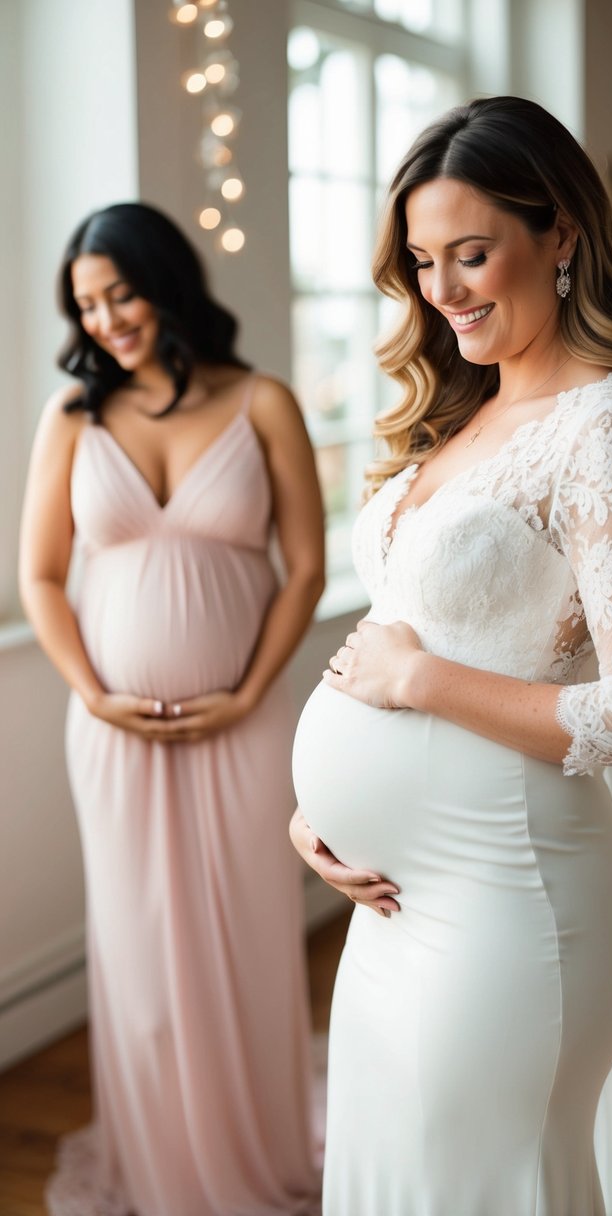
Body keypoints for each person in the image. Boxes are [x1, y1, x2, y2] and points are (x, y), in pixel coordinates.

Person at [289, 98, 612, 1214]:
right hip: (393, 908)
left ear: (559, 233)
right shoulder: (453, 418)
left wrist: (419, 687)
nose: (444, 289)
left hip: (516, 905)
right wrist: (315, 815)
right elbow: (397, 629)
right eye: (422, 261)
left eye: (472, 252)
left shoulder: (607, 422)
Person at [18, 202, 325, 1216]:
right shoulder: (72, 419)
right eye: (87, 304)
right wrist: (94, 693)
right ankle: (157, 1173)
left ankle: (255, 1151)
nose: (105, 319)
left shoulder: (262, 400)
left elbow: (306, 569)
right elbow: (43, 578)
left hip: (244, 725)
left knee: (244, 942)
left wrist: (244, 691)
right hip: (112, 731)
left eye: (120, 293)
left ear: (166, 280)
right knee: (142, 957)